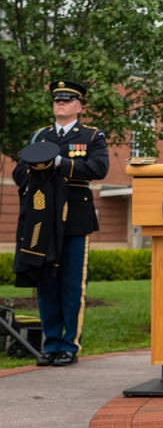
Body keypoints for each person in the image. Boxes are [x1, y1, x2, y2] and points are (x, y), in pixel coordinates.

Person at [13, 81, 109, 367]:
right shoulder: (39, 137)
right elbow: (20, 171)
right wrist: (37, 168)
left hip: (75, 221)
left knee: (70, 285)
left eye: (67, 101)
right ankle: (51, 344)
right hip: (42, 220)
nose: (60, 105)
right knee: (46, 283)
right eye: (57, 100)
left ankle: (69, 346)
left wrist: (59, 163)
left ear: (79, 106)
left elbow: (98, 168)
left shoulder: (92, 136)